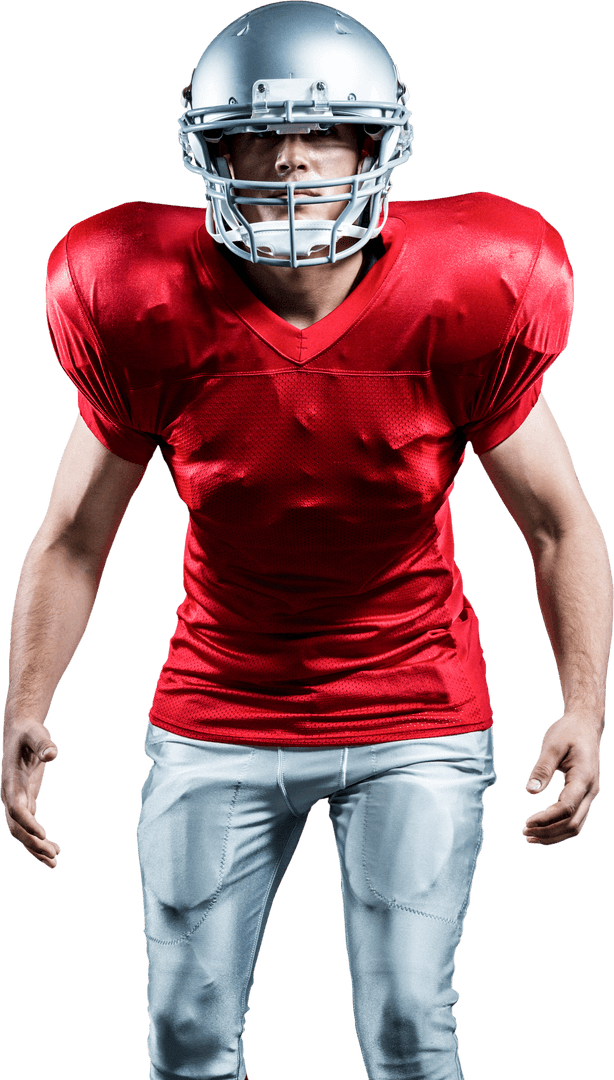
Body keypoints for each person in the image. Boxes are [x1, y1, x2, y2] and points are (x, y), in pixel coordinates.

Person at [2, 3, 611, 1079]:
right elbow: (75, 535)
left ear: (375, 147)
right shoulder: (137, 299)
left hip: (413, 701)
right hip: (220, 701)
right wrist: (24, 703)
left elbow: (558, 522)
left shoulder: (467, 292)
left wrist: (582, 706)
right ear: (209, 152)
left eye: (322, 131)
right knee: (185, 1036)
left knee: (408, 1025)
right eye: (254, 134)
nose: (288, 160)